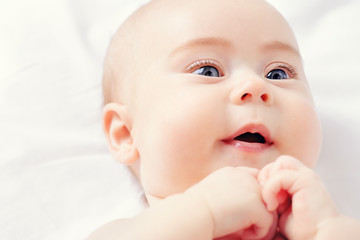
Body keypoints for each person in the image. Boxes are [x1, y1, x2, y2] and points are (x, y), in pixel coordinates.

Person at [88, 0, 360, 239]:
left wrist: (327, 229)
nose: (255, 86)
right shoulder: (127, 232)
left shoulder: (315, 226)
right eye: (208, 70)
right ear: (125, 133)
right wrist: (205, 210)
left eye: (278, 74)